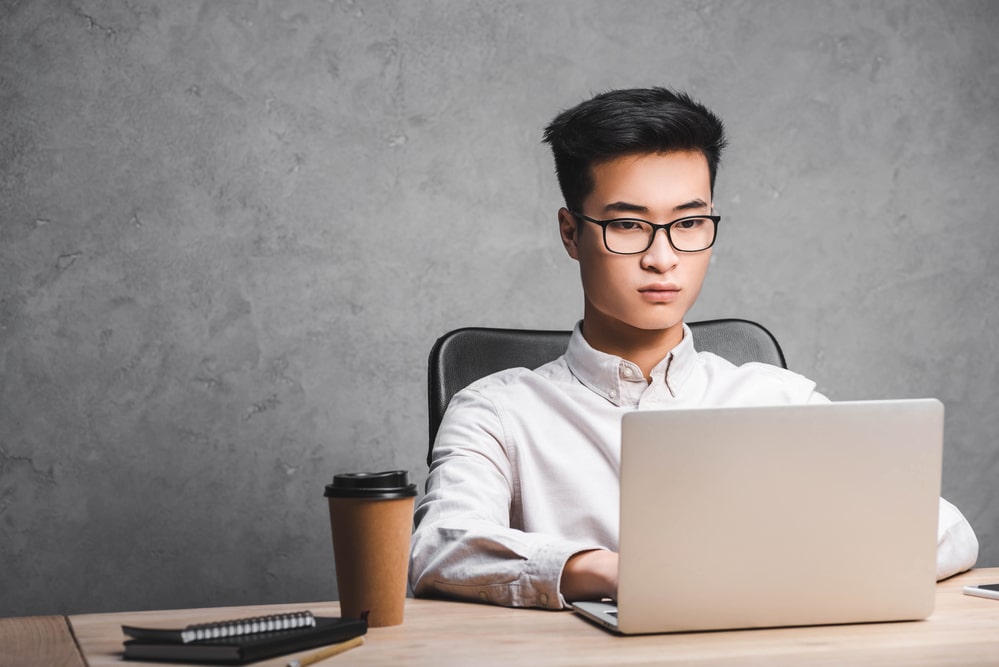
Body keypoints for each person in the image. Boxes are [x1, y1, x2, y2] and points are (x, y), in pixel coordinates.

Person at [409, 87, 979, 609]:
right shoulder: (497, 412)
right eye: (628, 226)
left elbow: (945, 531)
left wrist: (780, 569)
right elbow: (438, 547)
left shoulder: (776, 399)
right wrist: (613, 572)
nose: (664, 258)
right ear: (570, 234)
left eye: (689, 222)